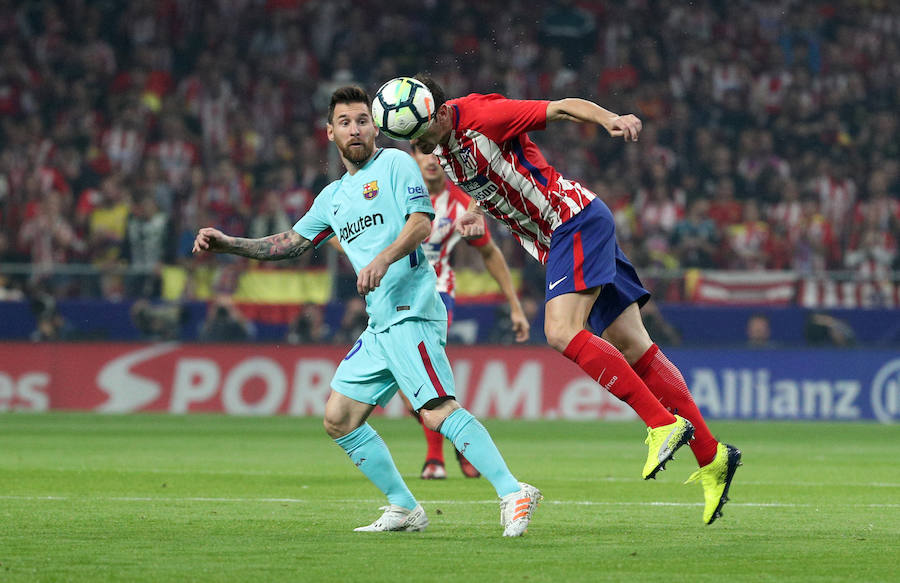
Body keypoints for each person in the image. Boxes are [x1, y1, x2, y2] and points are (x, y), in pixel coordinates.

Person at [193, 86, 541, 536]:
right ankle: (404, 508)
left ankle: (514, 491)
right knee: (338, 419)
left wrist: (383, 259)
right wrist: (229, 244)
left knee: (436, 410)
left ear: (375, 126)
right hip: (381, 322)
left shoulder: (396, 164)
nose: (354, 129)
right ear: (330, 133)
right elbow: (289, 244)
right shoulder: (333, 197)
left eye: (361, 120)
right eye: (345, 122)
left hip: (411, 309)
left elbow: (421, 222)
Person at [407, 75, 741, 525]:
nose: (421, 146)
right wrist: (472, 210)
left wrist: (610, 119)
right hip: (561, 236)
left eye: (422, 133)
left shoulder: (483, 115)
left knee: (561, 331)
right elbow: (491, 180)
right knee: (633, 344)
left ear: (440, 112)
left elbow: (561, 106)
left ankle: (661, 424)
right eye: (412, 140)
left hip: (571, 221)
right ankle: (711, 455)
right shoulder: (441, 146)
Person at [409, 143, 531, 480]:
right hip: (395, 297)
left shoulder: (462, 204)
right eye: (423, 153)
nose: (431, 161)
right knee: (412, 390)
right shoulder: (396, 192)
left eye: (436, 154)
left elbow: (490, 253)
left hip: (437, 295)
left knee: (422, 378)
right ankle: (463, 445)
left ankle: (434, 460)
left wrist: (515, 306)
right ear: (413, 155)